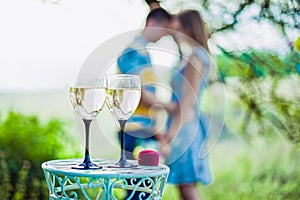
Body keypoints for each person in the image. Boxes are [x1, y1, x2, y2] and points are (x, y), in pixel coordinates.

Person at [159, 10, 214, 200]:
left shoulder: (196, 58)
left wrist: (170, 138)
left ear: (188, 28)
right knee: (183, 188)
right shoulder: (191, 55)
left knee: (188, 188)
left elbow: (187, 105)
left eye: (179, 28)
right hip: (182, 126)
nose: (176, 32)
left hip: (184, 129)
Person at [117, 8, 173, 160]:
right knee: (136, 182)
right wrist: (169, 107)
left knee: (144, 181)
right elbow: (139, 93)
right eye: (164, 29)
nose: (164, 35)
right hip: (133, 129)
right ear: (151, 23)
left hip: (143, 128)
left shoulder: (143, 52)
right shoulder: (133, 52)